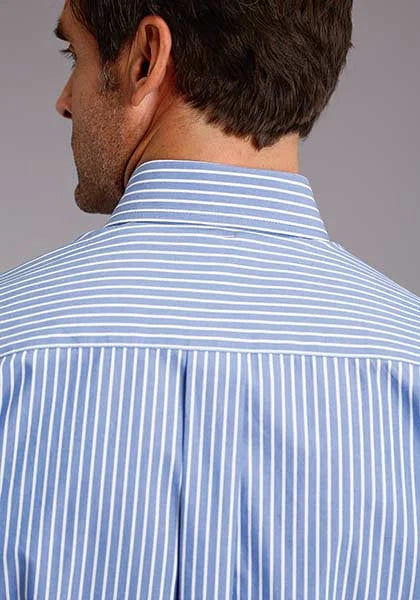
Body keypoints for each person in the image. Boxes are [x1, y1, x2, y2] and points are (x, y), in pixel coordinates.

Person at [0, 0, 419, 598]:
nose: (65, 100)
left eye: (76, 54)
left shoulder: (12, 346)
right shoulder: (409, 365)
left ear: (146, 58)